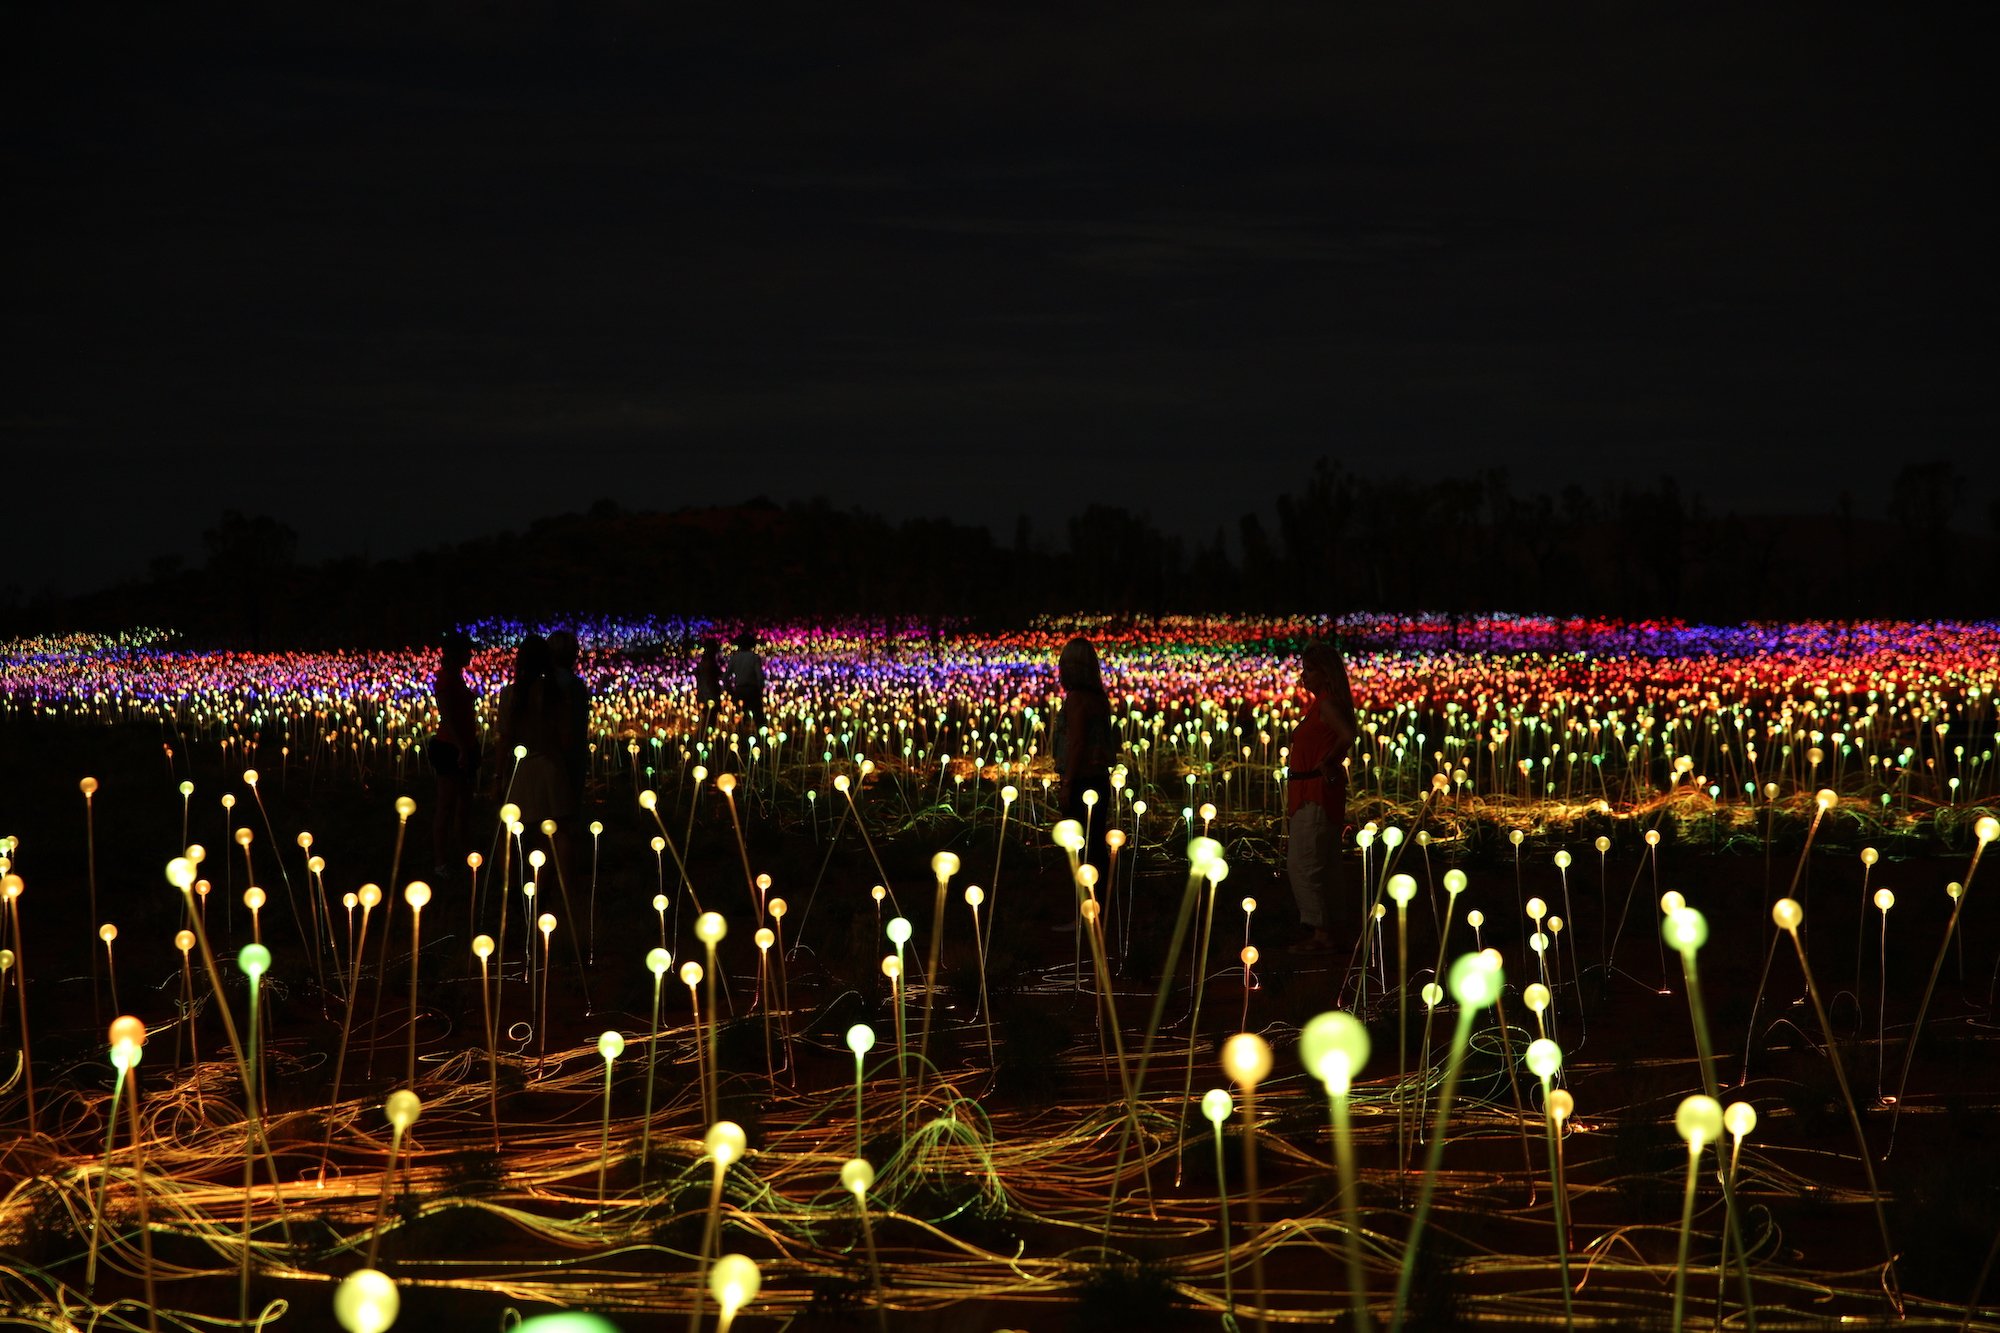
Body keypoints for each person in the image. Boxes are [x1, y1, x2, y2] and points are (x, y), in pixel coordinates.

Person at [1284, 640, 1358, 953]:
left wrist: (1329, 760)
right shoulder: (1322, 704)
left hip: (1314, 793)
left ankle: (1321, 935)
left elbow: (1348, 735)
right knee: (1324, 861)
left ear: (1326, 674)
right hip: (1310, 790)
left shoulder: (1327, 705)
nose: (1304, 676)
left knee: (1305, 863)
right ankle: (1330, 927)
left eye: (1310, 670)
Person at [493, 634, 574, 836]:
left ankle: (513, 869)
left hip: (522, 771)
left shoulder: (510, 695)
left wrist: (498, 777)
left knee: (514, 833)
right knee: (558, 834)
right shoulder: (557, 695)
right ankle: (558, 869)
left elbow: (504, 739)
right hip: (552, 768)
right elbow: (565, 738)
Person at [1057, 635, 1115, 873]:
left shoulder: (1076, 700)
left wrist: (1067, 784)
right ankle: (1100, 895)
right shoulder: (1099, 699)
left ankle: (1083, 897)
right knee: (1096, 840)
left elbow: (1077, 742)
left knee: (1079, 844)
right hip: (1100, 779)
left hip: (1081, 780)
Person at [429, 631, 480, 877]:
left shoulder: (457, 678)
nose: (471, 654)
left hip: (465, 746)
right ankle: (440, 862)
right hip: (451, 748)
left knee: (464, 804)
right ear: (456, 653)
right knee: (446, 804)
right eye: (467, 650)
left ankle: (462, 854)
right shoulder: (446, 681)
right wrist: (461, 748)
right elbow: (447, 717)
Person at [547, 629, 591, 814]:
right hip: (570, 756)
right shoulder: (575, 687)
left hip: (546, 754)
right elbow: (579, 724)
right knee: (567, 812)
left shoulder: (540, 684)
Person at [727, 630, 766, 731]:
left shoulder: (734, 658)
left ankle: (741, 741)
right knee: (759, 719)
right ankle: (761, 741)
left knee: (740, 719)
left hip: (740, 691)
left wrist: (731, 691)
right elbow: (760, 676)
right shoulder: (754, 658)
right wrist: (760, 690)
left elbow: (725, 677)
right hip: (752, 691)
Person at [694, 636, 724, 732]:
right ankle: (706, 735)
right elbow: (717, 675)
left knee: (707, 716)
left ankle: (705, 735)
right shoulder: (711, 663)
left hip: (703, 692)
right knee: (710, 717)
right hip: (710, 693)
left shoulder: (702, 663)